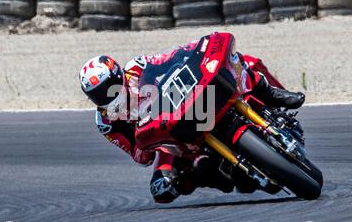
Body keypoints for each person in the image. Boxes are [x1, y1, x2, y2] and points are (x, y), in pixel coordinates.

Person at [79, 33, 305, 204]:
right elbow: (140, 156)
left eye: (107, 87)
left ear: (118, 75)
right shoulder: (107, 122)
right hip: (166, 140)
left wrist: (195, 53)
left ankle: (269, 92)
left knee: (242, 61)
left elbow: (173, 57)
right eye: (96, 94)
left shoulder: (136, 69)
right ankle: (227, 174)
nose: (104, 96)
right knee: (163, 189)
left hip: (181, 102)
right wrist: (144, 133)